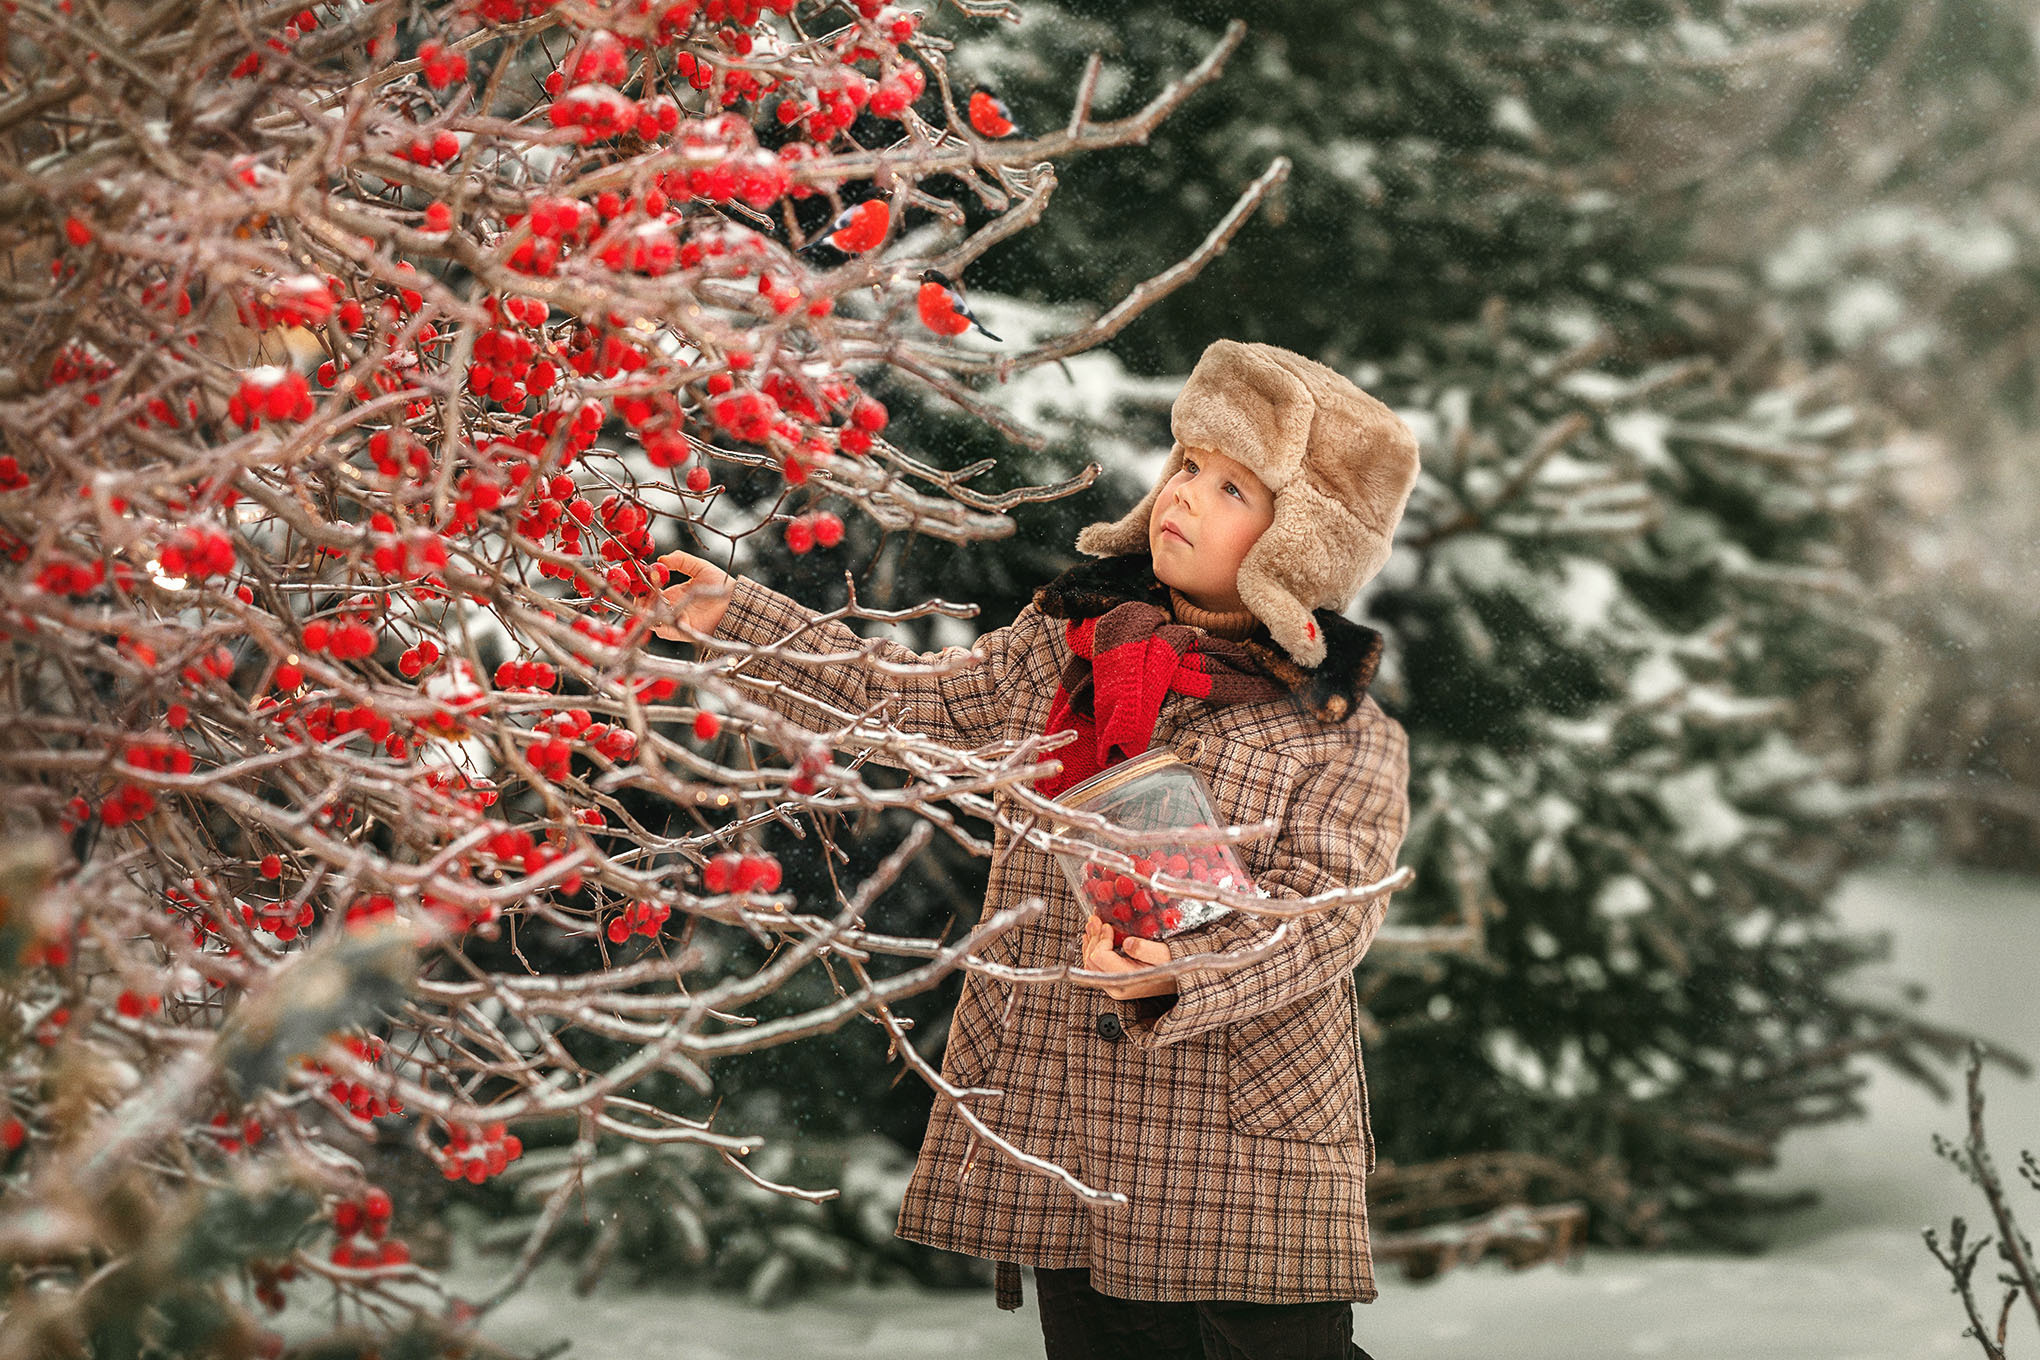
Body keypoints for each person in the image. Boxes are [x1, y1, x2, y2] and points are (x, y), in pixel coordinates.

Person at [648, 339, 1420, 1360]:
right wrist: (735, 617)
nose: (1186, 493)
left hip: (1244, 1150)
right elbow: (904, 701)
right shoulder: (1070, 646)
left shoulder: (1341, 730)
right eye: (1187, 464)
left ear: (1304, 541)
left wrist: (1171, 974)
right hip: (1076, 1124)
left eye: (1233, 486)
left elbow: (1322, 923)